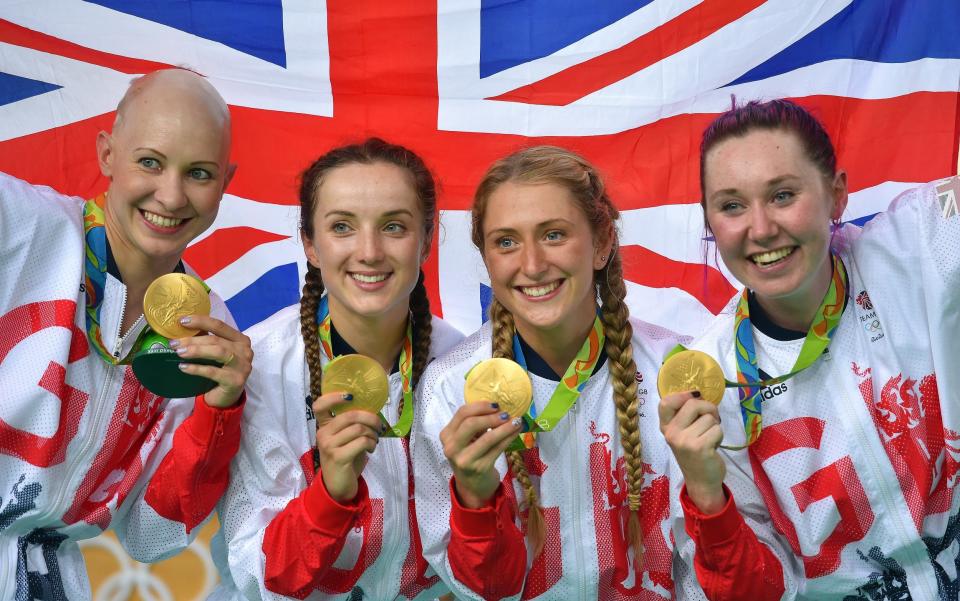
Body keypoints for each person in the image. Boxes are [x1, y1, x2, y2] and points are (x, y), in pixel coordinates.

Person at [660, 99, 960, 599]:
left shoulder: (919, 244)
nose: (760, 229)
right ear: (710, 222)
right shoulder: (709, 387)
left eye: (782, 195)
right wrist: (709, 500)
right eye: (732, 206)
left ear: (836, 195)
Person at [0, 68, 252, 600]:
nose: (171, 194)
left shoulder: (212, 331)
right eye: (150, 162)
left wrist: (219, 412)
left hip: (47, 581)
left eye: (200, 174)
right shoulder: (22, 223)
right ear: (107, 154)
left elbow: (150, 536)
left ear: (226, 183)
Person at [412, 146, 706, 600]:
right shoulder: (449, 389)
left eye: (553, 235)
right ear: (487, 259)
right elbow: (481, 591)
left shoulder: (674, 372)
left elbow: (715, 576)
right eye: (506, 241)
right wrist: (474, 499)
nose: (531, 265)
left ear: (602, 241)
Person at [213, 138, 463, 600]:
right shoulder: (264, 367)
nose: (369, 252)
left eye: (393, 226)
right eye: (342, 227)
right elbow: (257, 578)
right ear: (310, 242)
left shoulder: (462, 368)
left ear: (427, 238)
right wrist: (328, 495)